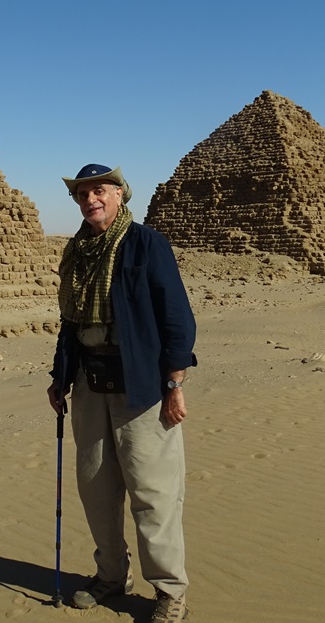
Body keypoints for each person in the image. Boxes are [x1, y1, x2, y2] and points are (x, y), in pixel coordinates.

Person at [47, 163, 196, 623]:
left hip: (141, 385)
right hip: (89, 383)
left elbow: (177, 318)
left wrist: (174, 384)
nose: (91, 199)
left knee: (152, 492)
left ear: (119, 194)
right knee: (96, 487)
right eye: (82, 193)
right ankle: (111, 576)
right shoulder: (78, 251)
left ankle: (170, 591)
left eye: (100, 190)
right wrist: (59, 377)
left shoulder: (146, 244)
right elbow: (71, 322)